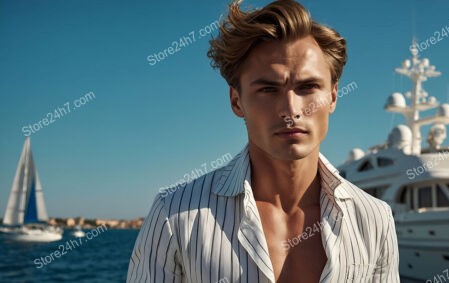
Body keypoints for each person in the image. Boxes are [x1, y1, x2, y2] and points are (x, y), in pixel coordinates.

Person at [127, 0, 399, 282]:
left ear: (332, 96)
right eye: (268, 89)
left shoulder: (374, 219)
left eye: (308, 87)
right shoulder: (175, 216)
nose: (291, 109)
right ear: (236, 101)